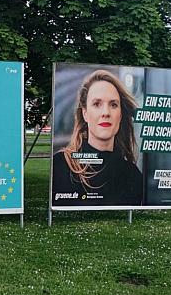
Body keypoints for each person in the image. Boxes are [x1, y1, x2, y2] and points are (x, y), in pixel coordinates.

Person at [52, 69, 143, 206]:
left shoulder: (133, 175)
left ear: (121, 114)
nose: (106, 113)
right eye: (97, 104)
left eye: (113, 105)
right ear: (85, 114)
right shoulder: (60, 165)